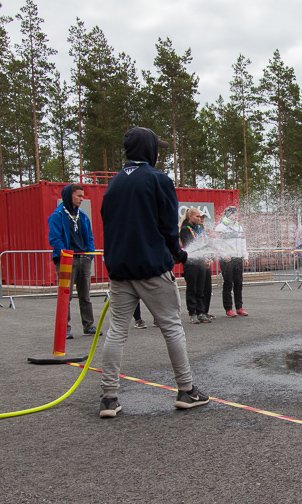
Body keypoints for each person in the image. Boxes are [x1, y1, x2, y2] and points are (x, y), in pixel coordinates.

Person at [98, 126, 209, 418]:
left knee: (116, 331)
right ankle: (186, 390)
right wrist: (177, 253)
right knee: (171, 327)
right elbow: (167, 226)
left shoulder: (114, 183)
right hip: (151, 268)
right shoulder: (159, 179)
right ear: (149, 150)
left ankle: (109, 398)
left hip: (119, 269)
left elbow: (108, 221)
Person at [47, 184, 96, 338]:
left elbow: (90, 237)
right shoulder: (57, 216)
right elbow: (55, 239)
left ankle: (88, 326)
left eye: (82, 196)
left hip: (83, 259)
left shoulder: (83, 216)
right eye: (79, 196)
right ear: (70, 196)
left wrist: (90, 254)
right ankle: (64, 329)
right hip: (66, 260)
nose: (82, 199)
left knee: (85, 295)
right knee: (65, 296)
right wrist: (65, 254)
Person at [214, 206, 249, 317]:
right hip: (227, 259)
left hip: (237, 258)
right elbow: (217, 244)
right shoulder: (221, 227)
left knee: (238, 283)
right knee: (228, 283)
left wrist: (245, 256)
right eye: (233, 214)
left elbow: (243, 243)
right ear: (228, 214)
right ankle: (228, 308)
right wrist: (224, 255)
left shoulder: (239, 227)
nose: (235, 216)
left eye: (236, 214)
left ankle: (239, 307)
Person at [179, 207, 211, 324]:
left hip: (202, 262)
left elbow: (205, 244)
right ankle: (192, 313)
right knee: (192, 288)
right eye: (197, 216)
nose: (199, 219)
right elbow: (189, 246)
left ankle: (201, 312)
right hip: (191, 263)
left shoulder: (199, 229)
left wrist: (208, 258)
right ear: (190, 216)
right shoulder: (185, 229)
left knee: (201, 289)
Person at [198, 213, 216, 320]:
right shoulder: (193, 230)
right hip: (199, 263)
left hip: (207, 262)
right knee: (199, 289)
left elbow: (209, 246)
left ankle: (205, 311)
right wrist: (203, 259)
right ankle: (199, 311)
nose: (202, 220)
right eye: (200, 218)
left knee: (207, 289)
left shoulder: (205, 231)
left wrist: (211, 258)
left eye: (203, 219)